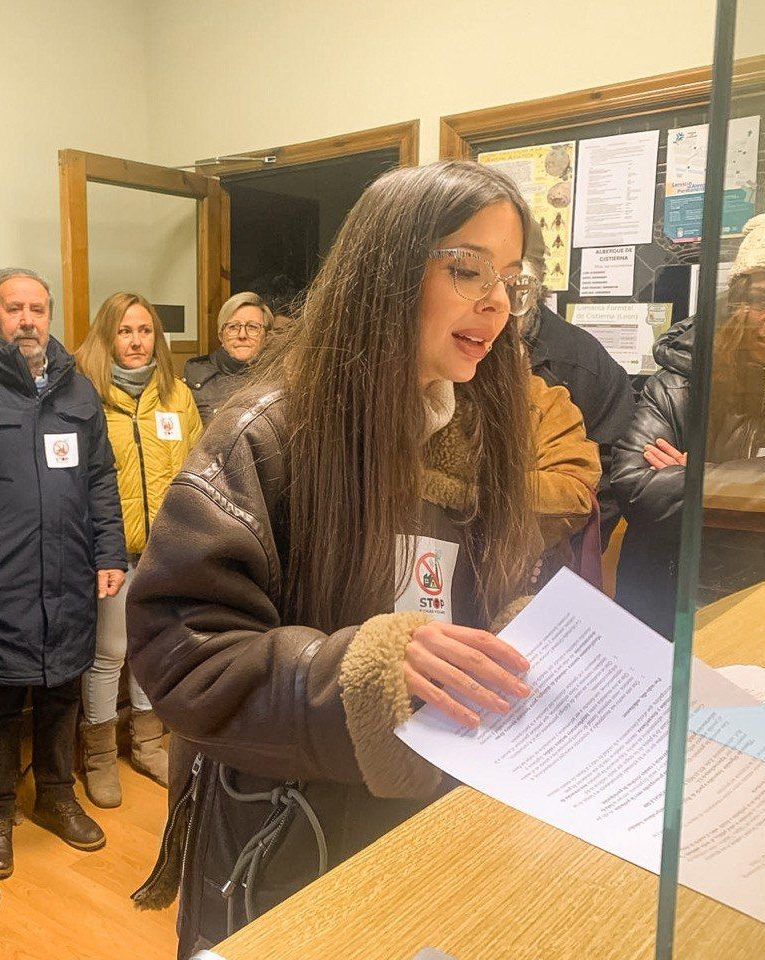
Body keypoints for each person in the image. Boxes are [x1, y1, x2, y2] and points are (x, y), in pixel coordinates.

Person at [127, 161, 548, 956]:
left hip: (429, 821)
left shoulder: (475, 426)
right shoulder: (267, 434)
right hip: (289, 836)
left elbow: (467, 599)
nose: (494, 302)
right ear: (386, 272)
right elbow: (182, 654)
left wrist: (519, 636)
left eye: (511, 281)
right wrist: (372, 672)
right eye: (467, 269)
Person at [0, 268, 127, 880]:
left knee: (61, 689)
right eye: (14, 308)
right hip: (0, 574)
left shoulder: (78, 393)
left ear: (50, 316)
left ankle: (55, 795)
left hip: (71, 570)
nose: (27, 320)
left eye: (38, 309)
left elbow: (100, 478)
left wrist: (108, 552)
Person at [612, 212, 765, 637]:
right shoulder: (681, 381)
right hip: (670, 601)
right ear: (736, 302)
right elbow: (636, 487)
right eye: (760, 300)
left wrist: (695, 475)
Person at [73, 292, 203, 807]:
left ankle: (148, 742)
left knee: (155, 645)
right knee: (109, 653)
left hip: (165, 549)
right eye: (125, 331)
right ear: (107, 337)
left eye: (145, 331)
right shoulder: (86, 397)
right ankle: (100, 755)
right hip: (110, 550)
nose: (135, 341)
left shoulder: (177, 398)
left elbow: (196, 467)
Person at [522, 223, 635, 549]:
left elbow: (608, 480)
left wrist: (564, 554)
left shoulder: (581, 361)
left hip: (547, 547)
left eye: (515, 285)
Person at [182, 291, 274, 423]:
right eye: (233, 327)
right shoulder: (195, 376)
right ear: (221, 337)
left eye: (253, 327)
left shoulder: (278, 378)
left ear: (266, 337)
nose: (242, 335)